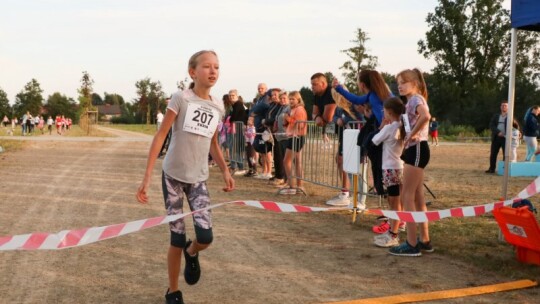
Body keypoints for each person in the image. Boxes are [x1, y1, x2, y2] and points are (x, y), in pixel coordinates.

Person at [136, 50, 234, 304]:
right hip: (173, 178)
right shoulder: (181, 99)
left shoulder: (217, 105)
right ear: (192, 72)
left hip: (198, 178)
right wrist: (146, 177)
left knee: (205, 237)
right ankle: (173, 290)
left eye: (216, 67)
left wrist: (224, 170)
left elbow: (213, 142)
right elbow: (161, 136)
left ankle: (193, 253)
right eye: (206, 67)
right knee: (176, 238)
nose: (213, 71)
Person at [389, 68, 433, 257]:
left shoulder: (415, 99)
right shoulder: (411, 101)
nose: (400, 86)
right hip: (416, 149)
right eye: (398, 83)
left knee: (406, 196)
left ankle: (412, 243)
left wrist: (410, 136)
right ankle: (424, 239)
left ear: (414, 84)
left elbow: (425, 116)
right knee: (417, 197)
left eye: (404, 82)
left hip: (417, 148)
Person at [332, 70, 392, 202]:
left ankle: (391, 210)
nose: (357, 85)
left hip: (386, 137)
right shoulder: (380, 94)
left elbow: (387, 116)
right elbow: (356, 99)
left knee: (385, 172)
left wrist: (339, 88)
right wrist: (339, 89)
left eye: (358, 82)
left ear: (363, 84)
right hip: (384, 135)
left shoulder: (375, 96)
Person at [372, 97, 406, 247]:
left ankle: (393, 233)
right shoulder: (402, 126)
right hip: (401, 166)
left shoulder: (389, 128)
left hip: (389, 167)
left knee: (393, 202)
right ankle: (399, 225)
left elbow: (375, 140)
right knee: (400, 200)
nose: (382, 113)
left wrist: (381, 126)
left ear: (389, 112)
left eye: (384, 111)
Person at [279, 91, 308, 195]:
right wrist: (286, 121)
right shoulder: (294, 109)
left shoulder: (299, 109)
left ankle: (293, 186)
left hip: (297, 137)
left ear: (298, 100)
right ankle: (298, 186)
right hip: (295, 136)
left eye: (293, 99)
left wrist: (288, 118)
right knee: (297, 162)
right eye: (290, 99)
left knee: (287, 161)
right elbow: (292, 124)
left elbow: (299, 125)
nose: (290, 101)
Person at [227, 89, 248, 175]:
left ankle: (239, 167)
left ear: (237, 96)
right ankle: (236, 166)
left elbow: (234, 117)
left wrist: (230, 119)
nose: (231, 97)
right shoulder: (235, 105)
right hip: (236, 128)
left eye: (233, 96)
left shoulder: (238, 104)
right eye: (230, 96)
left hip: (238, 128)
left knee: (235, 149)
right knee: (235, 149)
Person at [486, 101, 509, 173]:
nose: (504, 107)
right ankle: (491, 169)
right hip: (496, 138)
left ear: (508, 107)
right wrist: (498, 132)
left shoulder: (510, 117)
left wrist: (519, 132)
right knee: (493, 154)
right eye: (502, 105)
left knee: (506, 154)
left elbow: (516, 126)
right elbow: (491, 125)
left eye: (505, 105)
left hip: (505, 139)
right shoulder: (496, 116)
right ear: (500, 107)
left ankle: (504, 169)